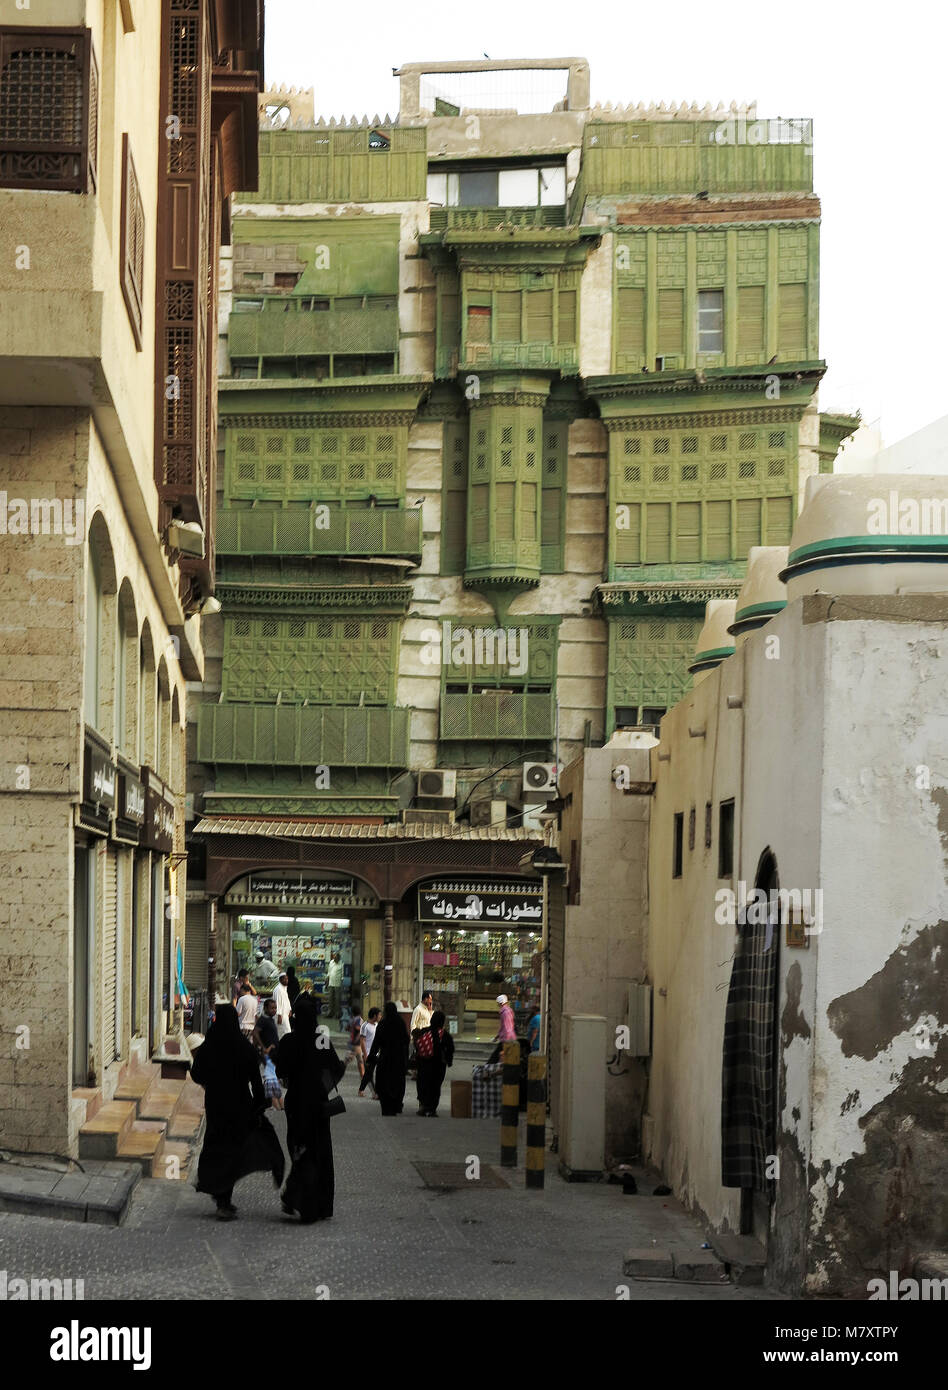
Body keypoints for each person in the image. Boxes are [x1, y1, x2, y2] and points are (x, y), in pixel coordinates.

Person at [189, 1004, 284, 1220]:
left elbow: (197, 1075)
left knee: (216, 1145)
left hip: (215, 1105)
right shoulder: (244, 1047)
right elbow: (255, 1081)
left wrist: (213, 1081)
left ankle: (219, 1194)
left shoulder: (210, 1045)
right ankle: (223, 1198)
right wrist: (259, 1105)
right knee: (232, 1149)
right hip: (239, 1105)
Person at [276, 993, 345, 1223]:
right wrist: (323, 1085)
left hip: (296, 1102)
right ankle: (316, 1203)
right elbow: (335, 1067)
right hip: (317, 1103)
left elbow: (281, 1072)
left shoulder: (289, 1041)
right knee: (318, 1149)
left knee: (299, 1147)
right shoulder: (321, 1039)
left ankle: (297, 1197)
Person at [359, 1000, 409, 1116]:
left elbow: (376, 1043)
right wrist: (405, 1059)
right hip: (398, 1058)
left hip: (386, 1058)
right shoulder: (400, 1023)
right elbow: (406, 1041)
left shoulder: (383, 1023)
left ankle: (386, 1107)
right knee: (398, 1082)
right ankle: (397, 1105)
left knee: (384, 1082)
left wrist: (371, 1057)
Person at [415, 1010, 454, 1117]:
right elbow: (450, 1049)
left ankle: (423, 1106)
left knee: (423, 1084)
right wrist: (449, 1061)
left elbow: (417, 1046)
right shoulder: (445, 1035)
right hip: (438, 1066)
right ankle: (432, 1109)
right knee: (435, 1086)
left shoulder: (424, 1031)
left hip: (423, 1064)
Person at [347, 1004, 365, 1079]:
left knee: (357, 1060)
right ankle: (363, 1076)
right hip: (357, 1043)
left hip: (351, 1042)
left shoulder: (351, 1019)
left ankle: (363, 1075)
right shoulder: (359, 1020)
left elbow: (347, 1028)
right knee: (360, 1060)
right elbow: (358, 1028)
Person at [272, 972, 293, 1039]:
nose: (286, 980)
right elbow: (277, 1003)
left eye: (287, 979)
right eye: (284, 979)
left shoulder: (284, 988)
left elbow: (286, 1000)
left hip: (285, 1014)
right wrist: (279, 1015)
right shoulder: (278, 989)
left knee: (283, 1033)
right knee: (285, 1032)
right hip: (281, 1015)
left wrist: (289, 1010)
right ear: (280, 980)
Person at [326, 951, 343, 1023]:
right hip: (331, 983)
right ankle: (330, 1013)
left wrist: (342, 982)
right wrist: (327, 981)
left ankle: (337, 1014)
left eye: (336, 958)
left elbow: (342, 975)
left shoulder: (342, 964)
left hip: (338, 984)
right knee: (330, 999)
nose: (335, 959)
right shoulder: (331, 962)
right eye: (334, 957)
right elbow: (329, 973)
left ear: (339, 958)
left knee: (337, 999)